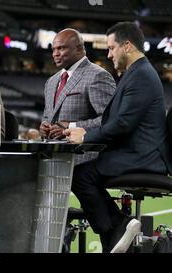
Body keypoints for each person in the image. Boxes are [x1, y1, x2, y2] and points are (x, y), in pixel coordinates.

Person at [65, 22, 172, 253]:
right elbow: (116, 122)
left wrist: (85, 138)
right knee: (84, 172)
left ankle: (117, 227)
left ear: (127, 46)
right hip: (137, 152)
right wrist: (85, 133)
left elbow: (123, 124)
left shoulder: (141, 75)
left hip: (145, 156)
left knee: (81, 175)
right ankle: (116, 231)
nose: (109, 53)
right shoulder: (136, 73)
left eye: (112, 48)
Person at [40, 28, 116, 163]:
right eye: (53, 49)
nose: (55, 54)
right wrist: (44, 127)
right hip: (52, 158)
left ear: (79, 49)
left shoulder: (98, 76)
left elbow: (110, 120)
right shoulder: (51, 81)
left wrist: (70, 127)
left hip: (84, 160)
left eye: (61, 48)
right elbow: (48, 117)